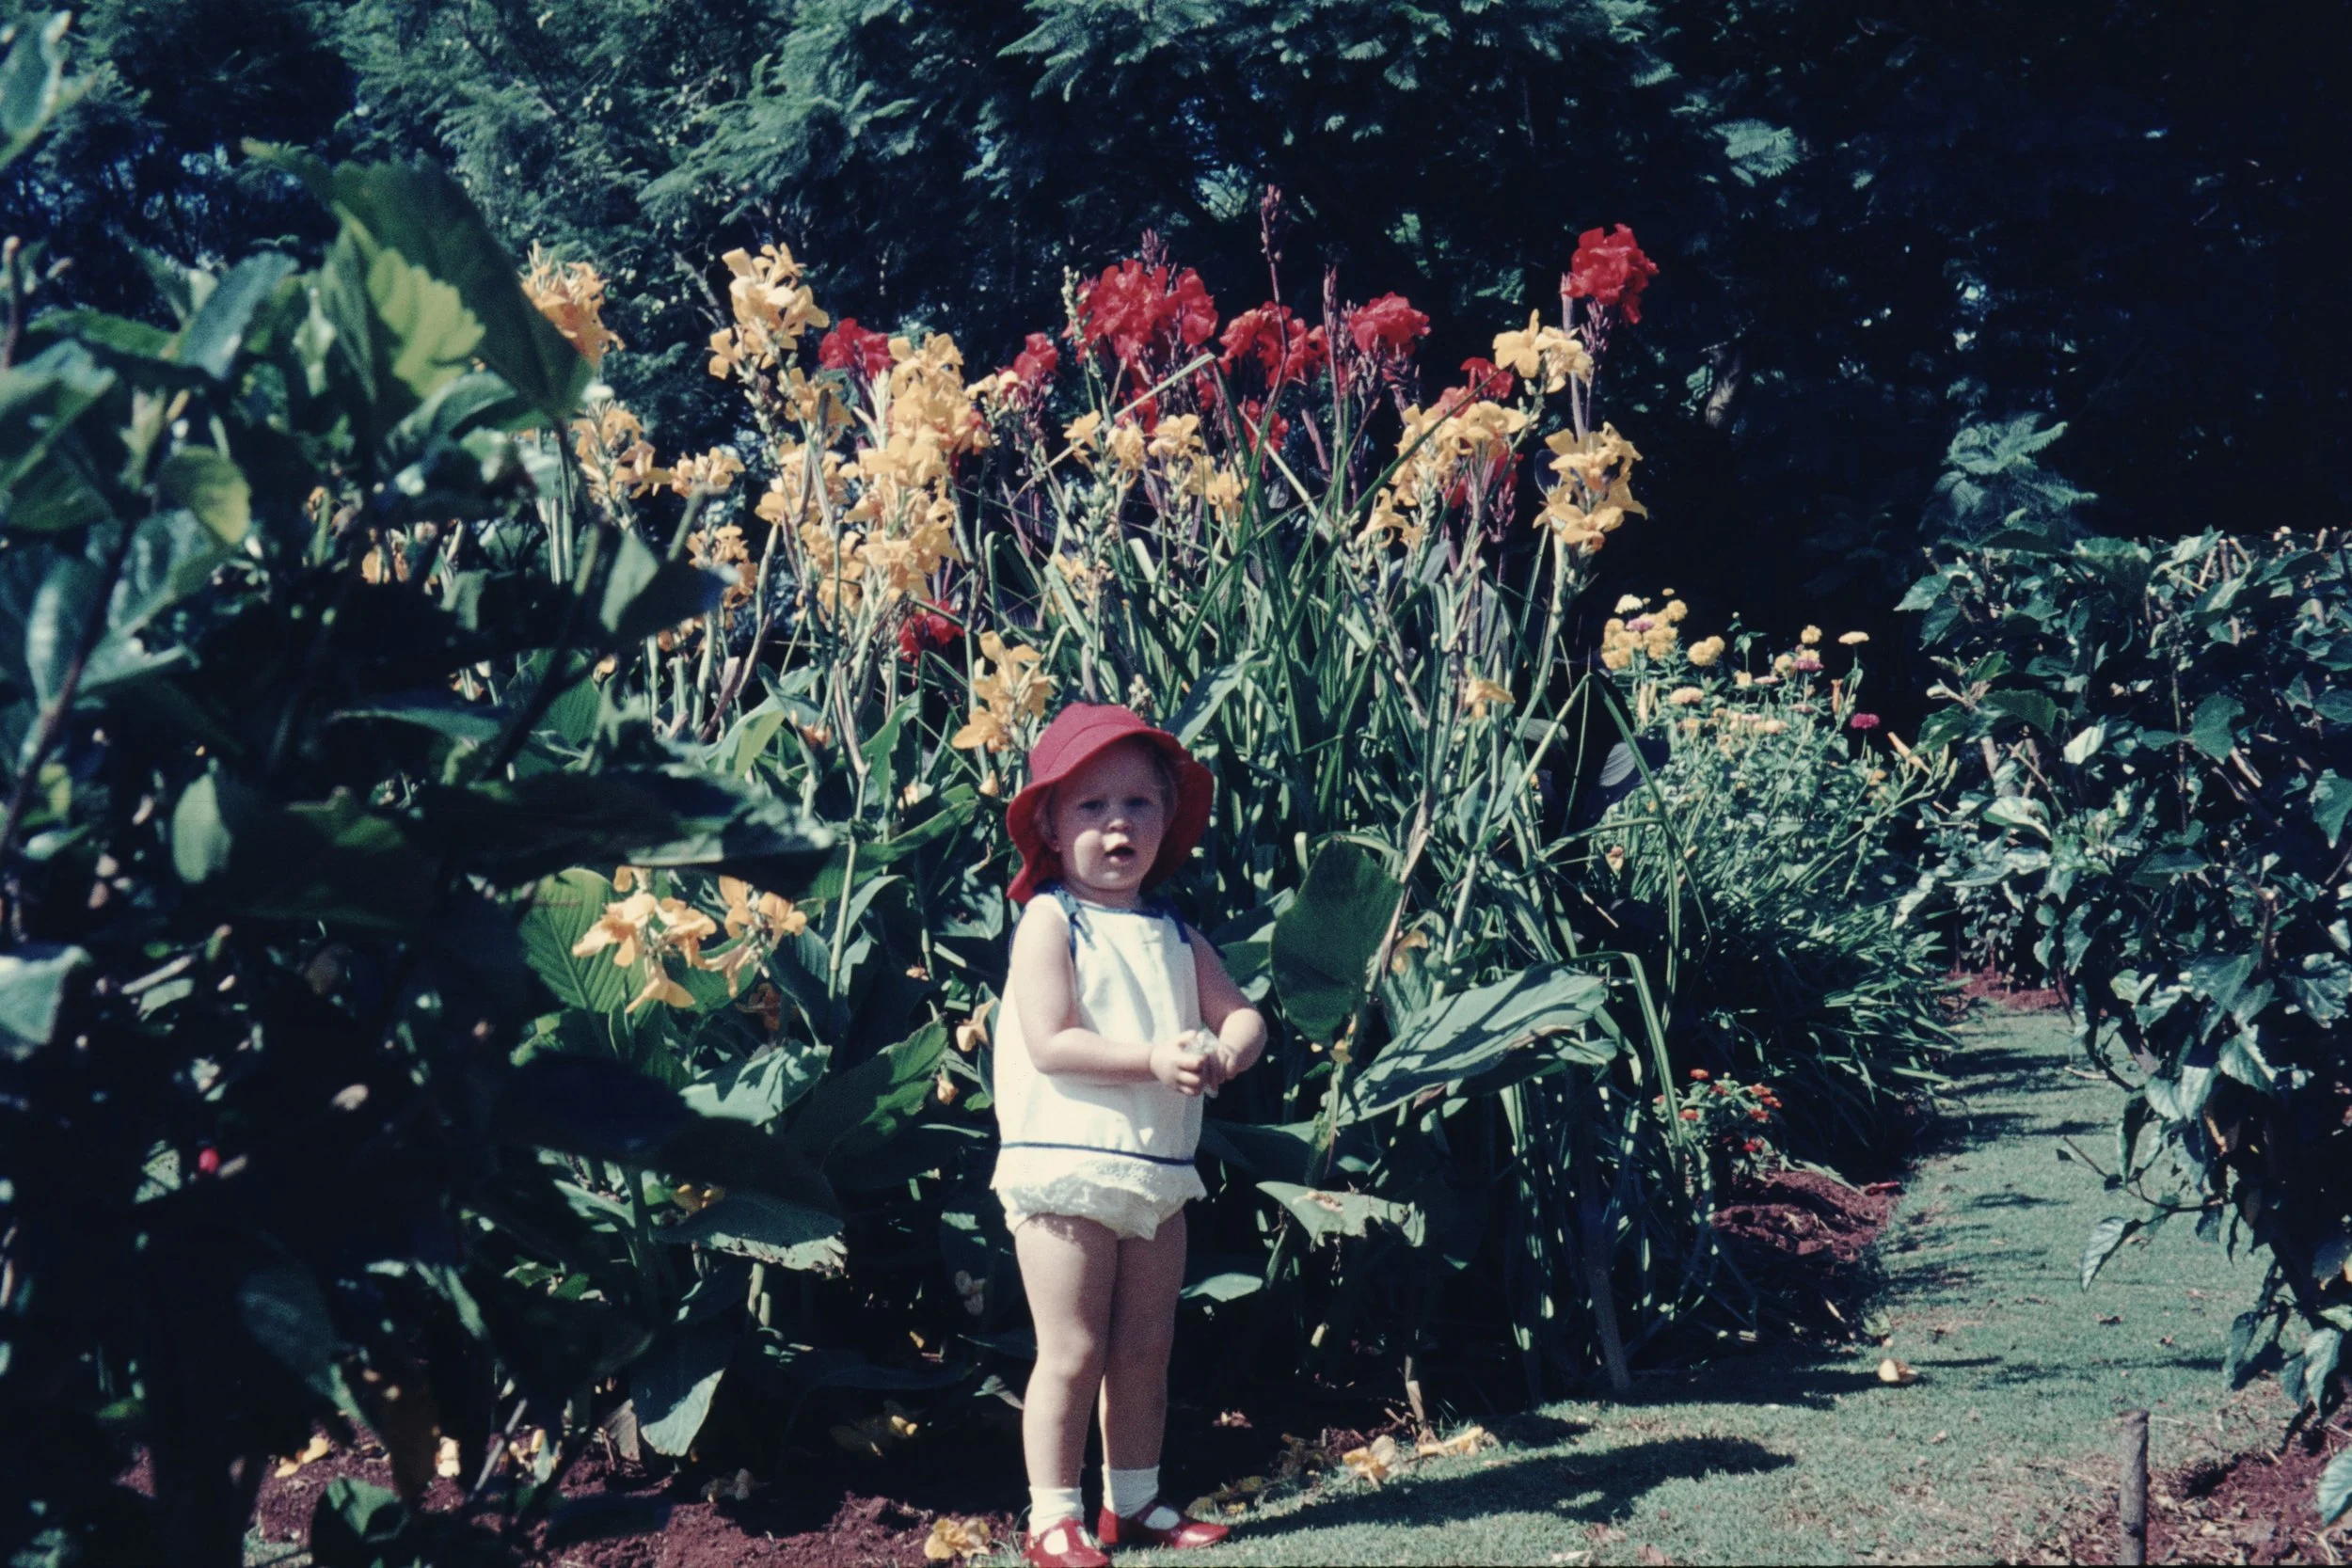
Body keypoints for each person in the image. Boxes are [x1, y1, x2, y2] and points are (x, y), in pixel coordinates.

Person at [990, 702, 1268, 1568]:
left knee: (1146, 1344)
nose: (1118, 824)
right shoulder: (1051, 920)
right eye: (1090, 806)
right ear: (1048, 820)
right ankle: (1052, 1513)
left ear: (1166, 819)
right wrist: (1155, 1056)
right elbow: (1052, 1040)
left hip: (1154, 1170)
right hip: (1063, 1167)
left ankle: (1134, 1499)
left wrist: (1228, 1048)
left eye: (1139, 805)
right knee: (1072, 1347)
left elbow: (1244, 1014)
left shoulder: (1174, 934)